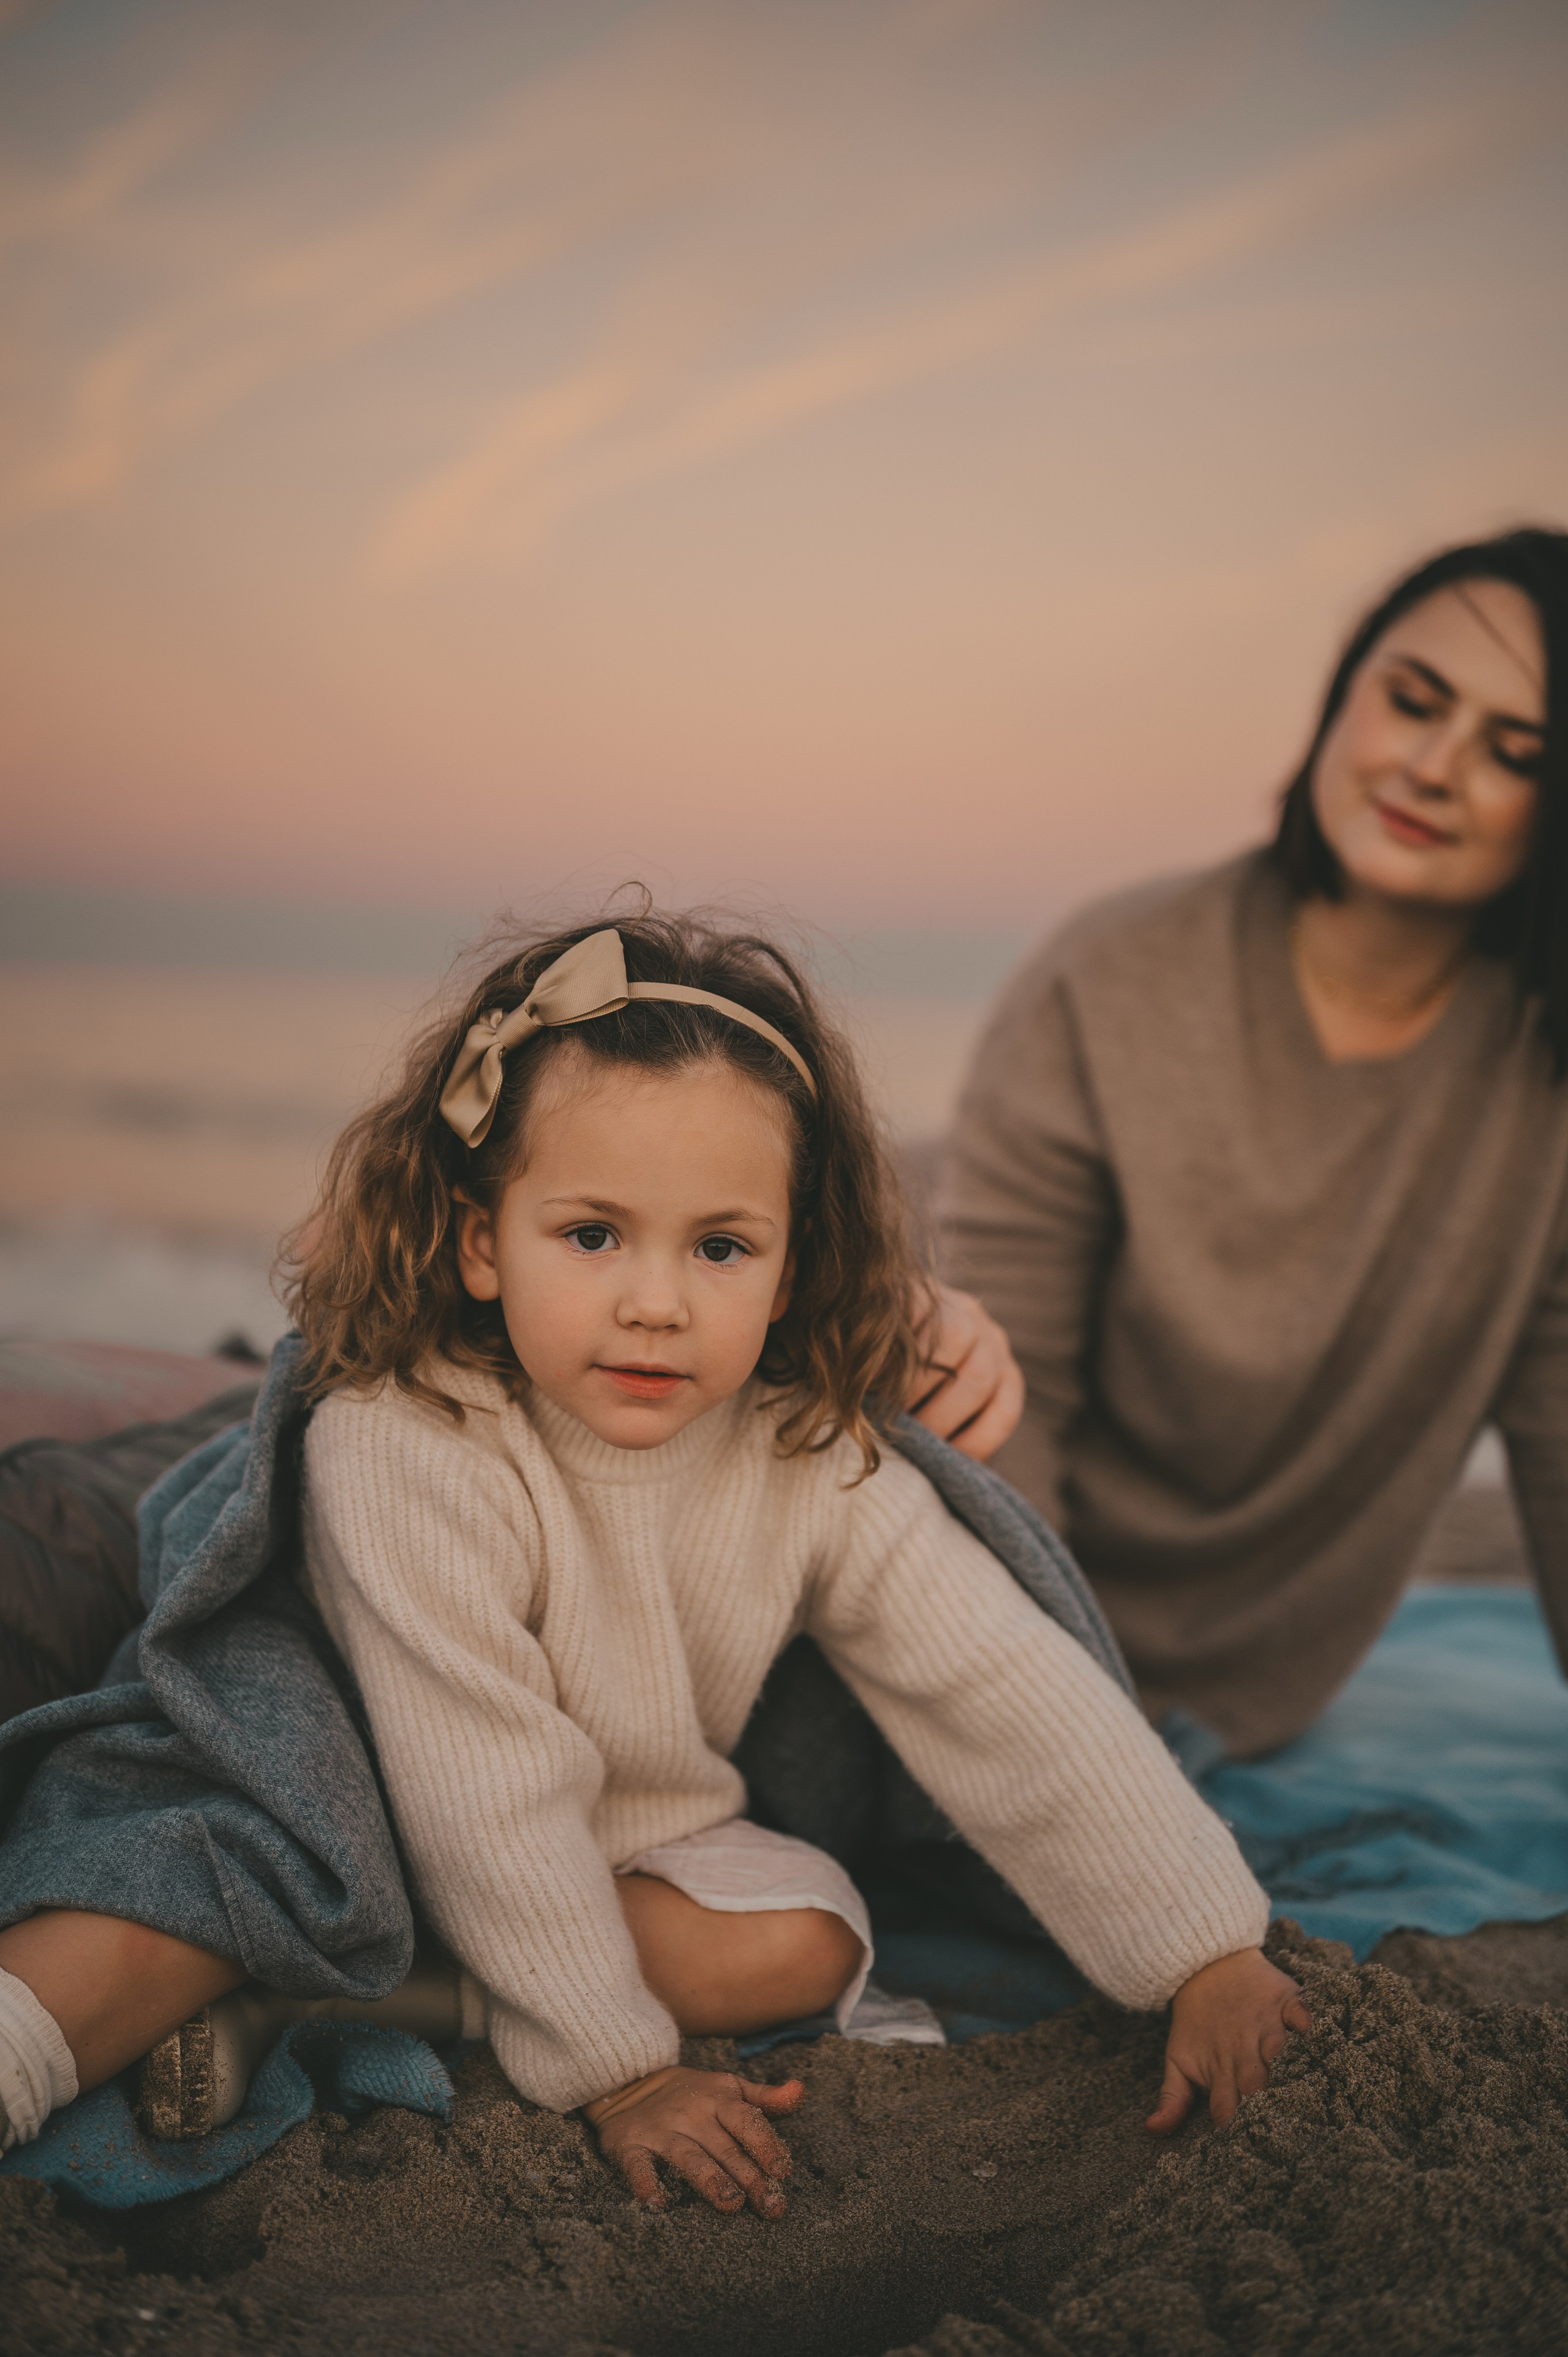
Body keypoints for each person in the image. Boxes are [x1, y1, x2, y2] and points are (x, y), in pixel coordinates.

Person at [1, 910, 1303, 2201]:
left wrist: (1202, 1951)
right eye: (591, 1235)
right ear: (480, 1241)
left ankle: (338, 1995)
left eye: (721, 1247)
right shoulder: (408, 1435)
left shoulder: (805, 1451)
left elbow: (999, 1688)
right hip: (331, 1790)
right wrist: (617, 2070)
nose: (657, 1302)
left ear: (790, 1272)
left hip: (590, 1845)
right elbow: (485, 1785)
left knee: (804, 1938)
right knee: (169, 1895)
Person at [943, 525, 1567, 1760]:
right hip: (991, 1632)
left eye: (1514, 753)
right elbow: (1009, 1402)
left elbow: (1557, 1453)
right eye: (1412, 701)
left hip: (1257, 1705)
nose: (1432, 767)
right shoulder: (1106, 977)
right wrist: (1059, 1724)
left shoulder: (1541, 1082)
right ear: (1343, 696)